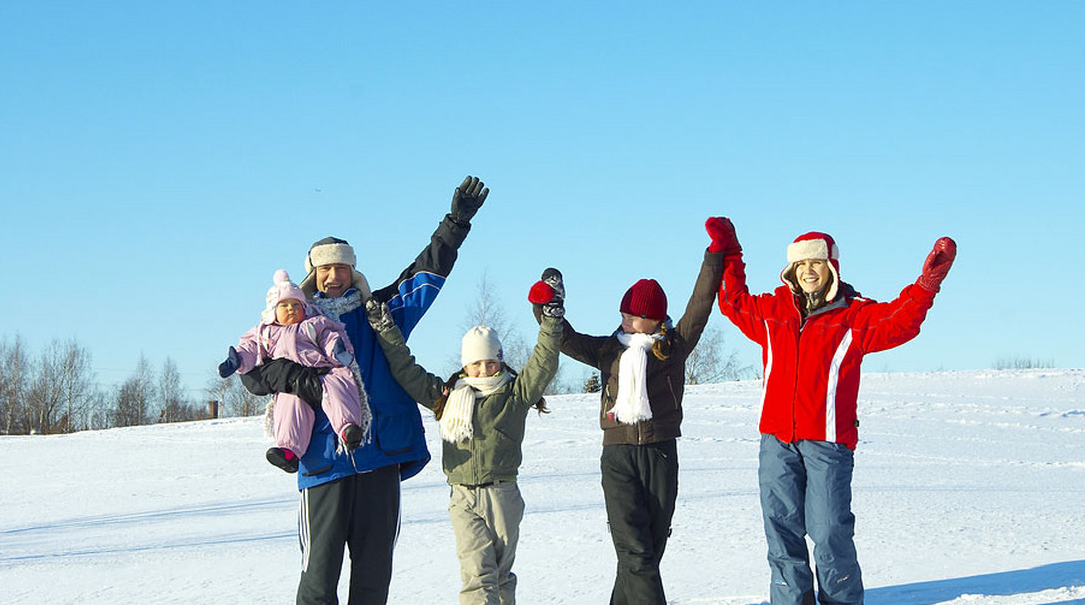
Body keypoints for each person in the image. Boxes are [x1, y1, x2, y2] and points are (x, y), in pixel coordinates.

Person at [238, 176, 489, 605]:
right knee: (318, 582)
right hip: (323, 463)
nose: (334, 276)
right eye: (325, 269)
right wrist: (294, 377)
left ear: (354, 270)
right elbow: (251, 373)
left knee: (373, 581)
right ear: (312, 275)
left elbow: (426, 273)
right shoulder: (293, 323)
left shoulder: (381, 313)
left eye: (342, 267)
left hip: (380, 459)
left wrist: (455, 224)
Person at [705, 217, 956, 605]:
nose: (808, 271)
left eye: (817, 263)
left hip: (828, 444)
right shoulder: (773, 312)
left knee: (828, 533)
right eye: (801, 264)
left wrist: (927, 284)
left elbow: (901, 321)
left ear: (832, 267)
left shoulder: (853, 316)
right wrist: (731, 251)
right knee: (781, 531)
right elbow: (732, 300)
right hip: (776, 441)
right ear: (791, 269)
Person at [534, 249, 723, 603]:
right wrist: (547, 309)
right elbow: (564, 339)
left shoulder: (673, 347)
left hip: (660, 454)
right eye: (623, 314)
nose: (626, 322)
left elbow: (699, 307)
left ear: (654, 319)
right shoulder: (609, 350)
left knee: (648, 552)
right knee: (635, 552)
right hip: (618, 457)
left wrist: (714, 256)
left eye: (634, 317)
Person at [365, 278, 563, 605]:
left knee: (500, 577)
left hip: (502, 496)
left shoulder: (514, 394)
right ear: (465, 364)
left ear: (499, 360)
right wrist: (387, 330)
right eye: (476, 363)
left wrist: (552, 319)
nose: (484, 369)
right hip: (462, 498)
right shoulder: (447, 396)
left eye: (490, 362)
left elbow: (544, 362)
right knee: (477, 576)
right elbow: (405, 369)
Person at [218, 269, 369, 473]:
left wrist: (337, 351)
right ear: (273, 310)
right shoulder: (266, 331)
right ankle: (289, 451)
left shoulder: (314, 323)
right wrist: (237, 360)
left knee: (340, 387)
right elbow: (249, 346)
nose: (291, 309)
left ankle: (348, 429)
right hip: (290, 382)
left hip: (324, 371)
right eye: (284, 305)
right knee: (290, 406)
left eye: (296, 304)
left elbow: (330, 337)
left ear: (304, 307)